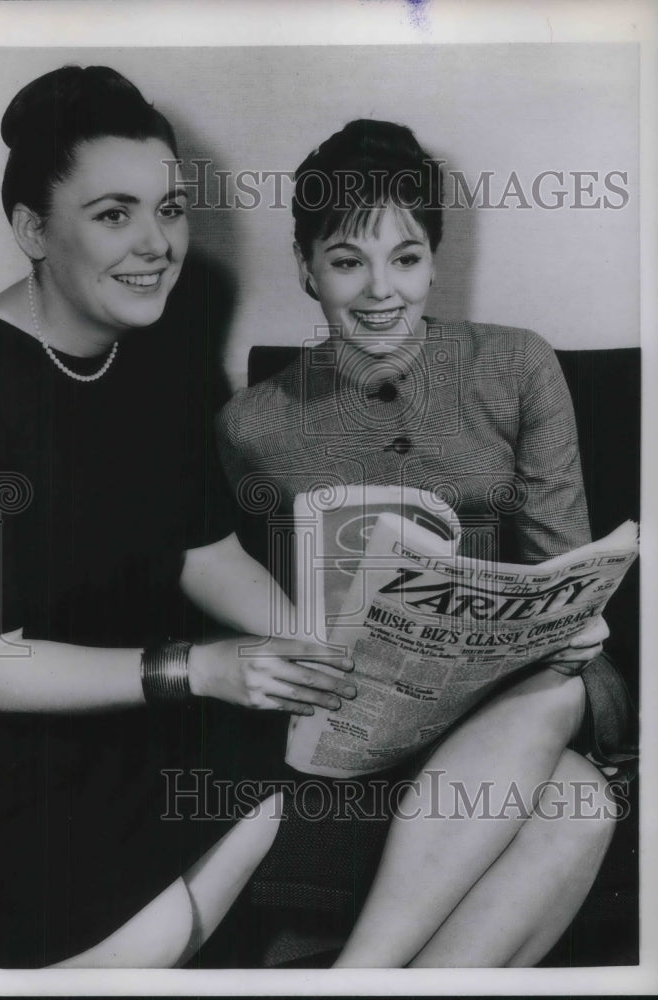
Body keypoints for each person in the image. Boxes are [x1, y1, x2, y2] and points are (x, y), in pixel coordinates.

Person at [0, 66, 357, 970]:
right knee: (154, 924)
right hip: (8, 732)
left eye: (170, 208)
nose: (157, 244)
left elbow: (203, 550)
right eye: (114, 214)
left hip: (142, 704)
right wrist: (198, 667)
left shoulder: (154, 341)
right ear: (32, 229)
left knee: (287, 773)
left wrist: (323, 647)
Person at [216, 119, 636, 967]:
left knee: (556, 693)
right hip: (372, 708)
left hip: (534, 686)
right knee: (581, 807)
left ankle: (355, 977)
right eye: (346, 261)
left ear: (432, 261)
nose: (381, 291)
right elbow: (277, 604)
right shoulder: (252, 425)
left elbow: (566, 554)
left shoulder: (517, 365)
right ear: (306, 270)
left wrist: (577, 620)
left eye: (404, 258)